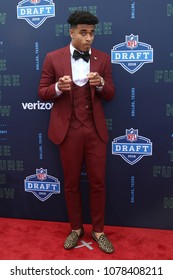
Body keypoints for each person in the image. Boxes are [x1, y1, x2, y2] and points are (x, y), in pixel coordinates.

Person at [38, 11, 115, 254]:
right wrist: (57, 88)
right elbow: (42, 91)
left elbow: (111, 93)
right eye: (83, 33)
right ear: (71, 32)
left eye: (92, 33)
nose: (89, 38)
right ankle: (76, 228)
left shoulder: (102, 59)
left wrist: (101, 84)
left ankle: (99, 231)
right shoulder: (53, 57)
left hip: (95, 130)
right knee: (70, 184)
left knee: (98, 183)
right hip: (67, 130)